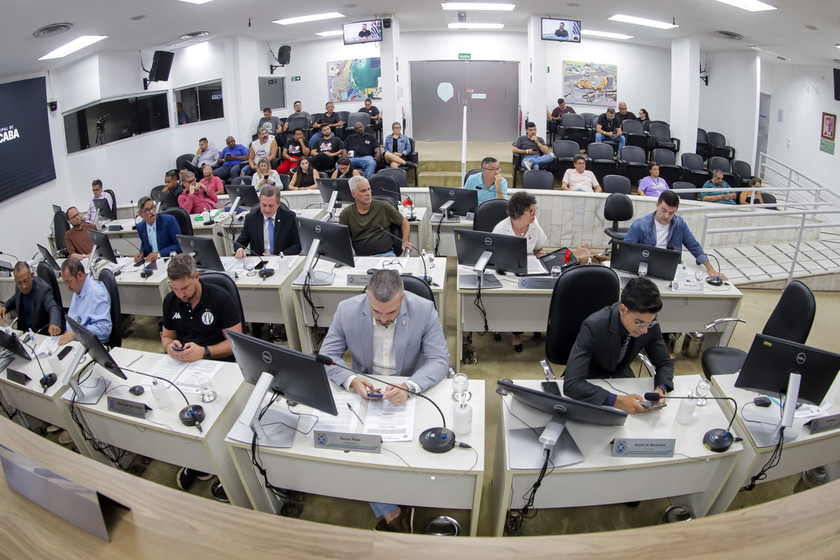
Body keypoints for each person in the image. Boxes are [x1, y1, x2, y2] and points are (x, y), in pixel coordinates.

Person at [319, 269, 448, 533]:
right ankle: (394, 513)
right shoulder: (347, 310)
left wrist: (409, 386)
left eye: (391, 312)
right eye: (377, 312)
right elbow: (327, 356)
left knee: (415, 453)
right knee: (351, 450)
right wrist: (352, 381)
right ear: (367, 296)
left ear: (403, 297)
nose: (384, 319)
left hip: (408, 390)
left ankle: (398, 507)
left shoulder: (424, 310)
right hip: (364, 389)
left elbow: (439, 361)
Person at [161, 253, 243, 499]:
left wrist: (205, 351)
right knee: (173, 409)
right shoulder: (170, 301)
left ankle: (225, 469)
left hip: (221, 364)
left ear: (196, 277)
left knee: (214, 416)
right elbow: (166, 336)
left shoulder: (221, 298)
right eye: (175, 289)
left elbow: (237, 344)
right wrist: (170, 348)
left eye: (185, 288)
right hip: (186, 365)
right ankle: (196, 459)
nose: (181, 294)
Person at [563, 277, 673, 414]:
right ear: (622, 310)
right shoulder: (594, 326)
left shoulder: (649, 324)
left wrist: (661, 388)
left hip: (622, 376)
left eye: (650, 323)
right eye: (639, 323)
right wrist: (617, 401)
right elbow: (571, 384)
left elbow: (665, 363)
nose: (645, 330)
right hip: (592, 379)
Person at [624, 190, 728, 280]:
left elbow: (694, 246)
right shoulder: (640, 224)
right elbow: (626, 250)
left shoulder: (679, 224)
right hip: (645, 270)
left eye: (671, 213)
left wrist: (709, 267)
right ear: (657, 205)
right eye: (663, 210)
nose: (666, 216)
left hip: (671, 269)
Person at [492, 192, 547, 352]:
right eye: (530, 211)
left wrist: (544, 264)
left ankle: (537, 323)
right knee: (515, 295)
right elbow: (494, 258)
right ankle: (516, 333)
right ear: (517, 213)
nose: (534, 214)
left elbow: (539, 248)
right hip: (506, 270)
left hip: (530, 267)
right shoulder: (501, 229)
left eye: (534, 209)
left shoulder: (534, 225)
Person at [339, 176, 409, 257]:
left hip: (386, 255)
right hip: (362, 258)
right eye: (363, 191)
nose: (368, 193)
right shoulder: (346, 214)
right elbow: (342, 241)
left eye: (369, 189)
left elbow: (404, 222)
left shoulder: (383, 206)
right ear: (353, 193)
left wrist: (405, 241)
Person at [234, 185, 301, 259]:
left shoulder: (289, 217)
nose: (267, 209)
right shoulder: (251, 218)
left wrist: (279, 256)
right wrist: (239, 249)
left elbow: (297, 245)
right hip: (259, 262)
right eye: (264, 205)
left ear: (278, 204)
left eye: (271, 206)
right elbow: (239, 242)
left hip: (281, 260)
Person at [58, 258, 111, 346]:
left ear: (80, 275)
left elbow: (105, 329)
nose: (67, 287)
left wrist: (76, 333)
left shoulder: (97, 293)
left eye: (69, 282)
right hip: (76, 342)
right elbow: (73, 319)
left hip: (92, 344)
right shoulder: (78, 288)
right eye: (65, 282)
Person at [0, 262, 61, 336]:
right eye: (19, 283)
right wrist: (5, 307)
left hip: (39, 333)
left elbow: (53, 307)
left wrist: (54, 323)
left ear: (31, 276)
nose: (24, 286)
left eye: (26, 281)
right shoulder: (19, 286)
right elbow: (15, 297)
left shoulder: (43, 289)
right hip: (23, 332)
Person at [134, 196, 182, 264]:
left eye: (152, 207)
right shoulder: (140, 227)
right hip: (152, 262)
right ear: (140, 214)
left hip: (170, 260)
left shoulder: (169, 221)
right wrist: (141, 253)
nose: (151, 212)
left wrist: (159, 254)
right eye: (147, 210)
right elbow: (144, 244)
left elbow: (179, 245)